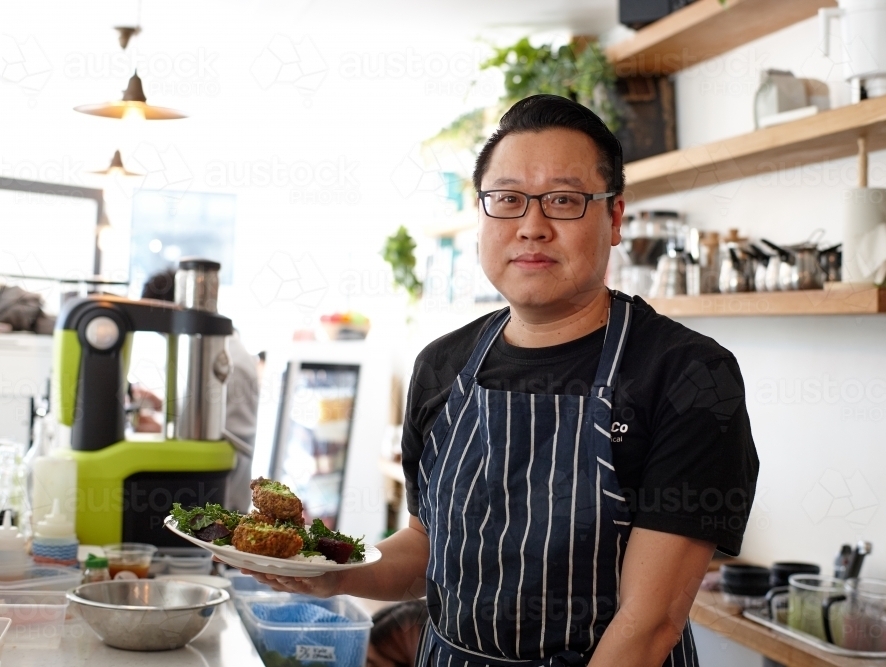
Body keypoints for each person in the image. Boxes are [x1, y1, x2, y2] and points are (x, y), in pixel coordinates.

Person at [246, 94, 759, 666]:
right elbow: (425, 548)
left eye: (563, 201)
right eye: (508, 200)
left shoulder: (687, 375)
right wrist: (331, 574)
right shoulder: (443, 364)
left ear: (614, 218)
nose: (531, 227)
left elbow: (649, 623)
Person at [137, 268, 261, 513]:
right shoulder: (206, 351)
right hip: (213, 487)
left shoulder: (227, 359)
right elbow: (203, 411)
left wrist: (160, 425)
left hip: (224, 494)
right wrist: (162, 405)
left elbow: (222, 434)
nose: (163, 335)